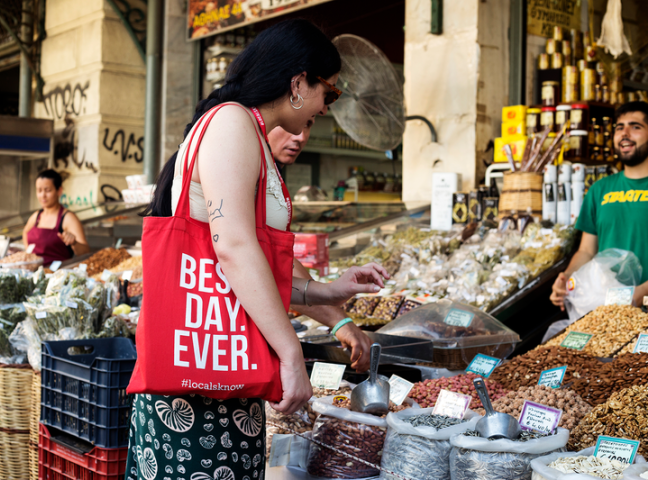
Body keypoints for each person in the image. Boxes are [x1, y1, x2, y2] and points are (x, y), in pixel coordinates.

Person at [126, 19, 388, 480]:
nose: (326, 108)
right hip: (199, 383)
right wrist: (290, 354)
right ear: (297, 83)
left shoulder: (246, 132)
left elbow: (253, 264)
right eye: (330, 92)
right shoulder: (231, 123)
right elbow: (233, 246)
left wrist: (327, 292)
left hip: (220, 371)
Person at [268, 120, 372, 372]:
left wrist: (338, 317)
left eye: (310, 124)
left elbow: (279, 263)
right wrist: (291, 354)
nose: (301, 137)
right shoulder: (236, 162)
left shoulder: (269, 172)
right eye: (289, 124)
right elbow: (245, 261)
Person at [551, 101, 648, 310]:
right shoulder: (600, 190)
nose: (625, 133)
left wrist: (642, 292)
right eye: (619, 128)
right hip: (608, 309)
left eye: (635, 127)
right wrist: (567, 277)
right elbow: (587, 251)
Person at [22, 169, 90, 264]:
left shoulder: (68, 218)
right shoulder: (36, 216)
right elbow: (25, 232)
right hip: (33, 272)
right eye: (39, 190)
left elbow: (85, 252)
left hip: (57, 274)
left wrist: (74, 242)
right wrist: (28, 254)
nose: (43, 195)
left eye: (48, 190)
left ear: (59, 191)